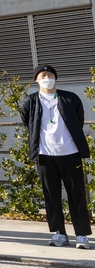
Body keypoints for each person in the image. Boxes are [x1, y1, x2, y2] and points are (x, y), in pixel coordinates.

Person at [19, 65, 91, 249]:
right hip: (44, 155)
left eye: (50, 75)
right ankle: (59, 233)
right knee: (51, 196)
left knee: (77, 194)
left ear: (56, 78)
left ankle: (81, 235)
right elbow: (28, 122)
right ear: (36, 79)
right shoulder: (31, 101)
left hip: (70, 153)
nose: (47, 78)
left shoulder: (70, 98)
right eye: (43, 75)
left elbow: (78, 121)